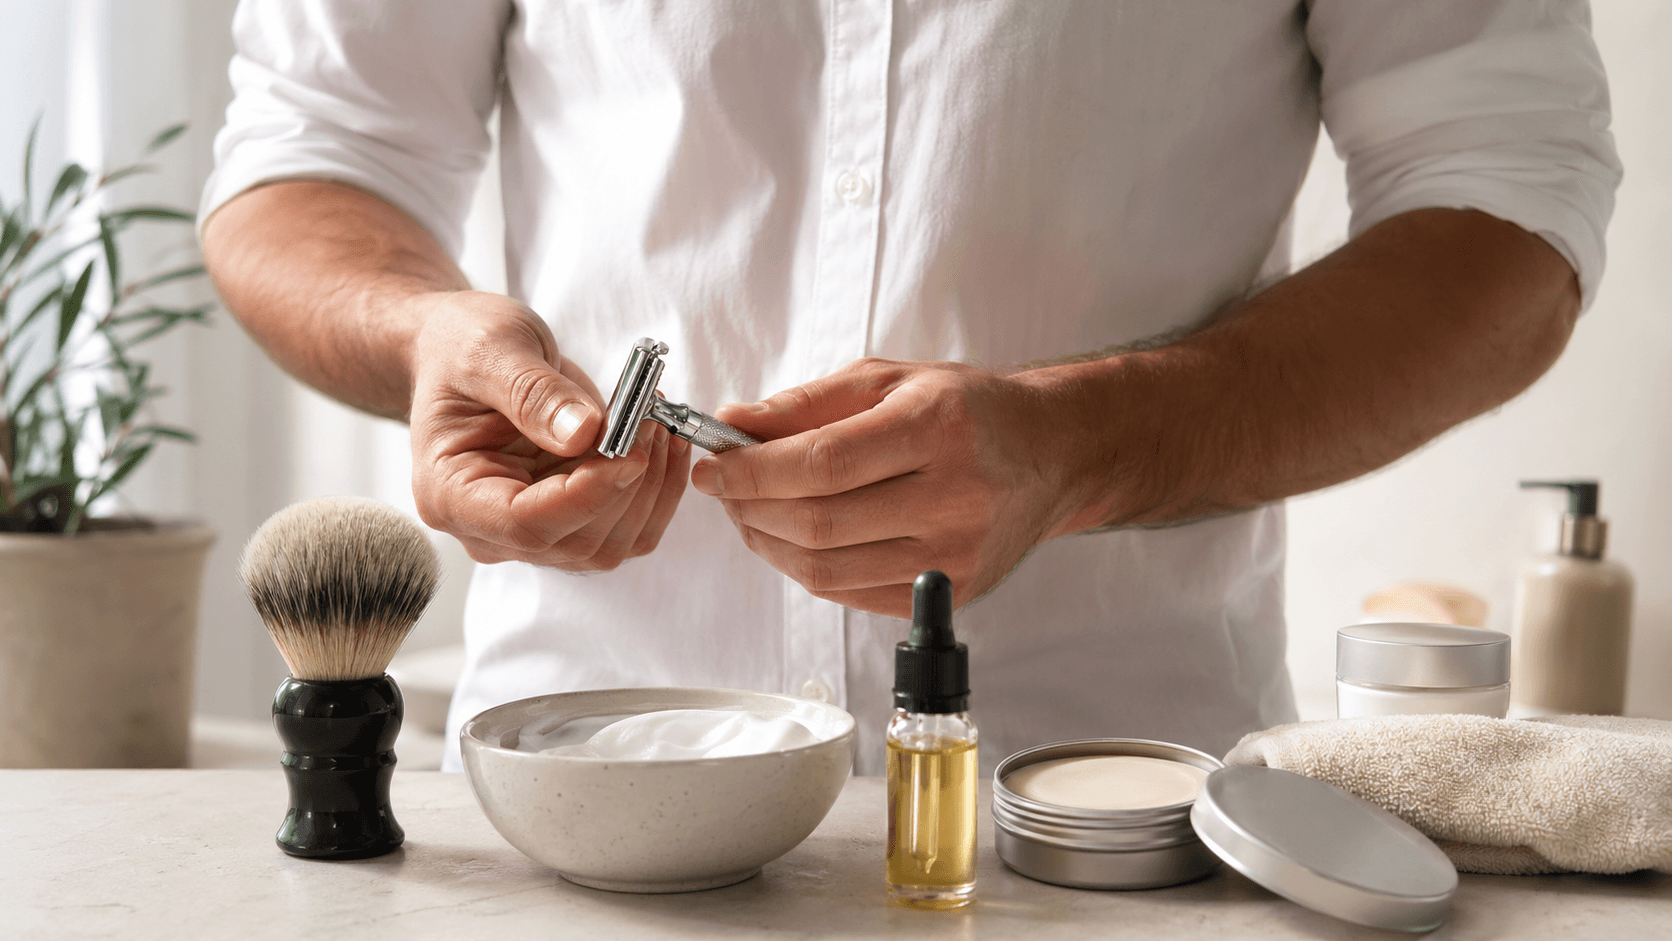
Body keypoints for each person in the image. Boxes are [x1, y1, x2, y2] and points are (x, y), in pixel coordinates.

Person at [200, 1, 1620, 773]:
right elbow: (311, 158)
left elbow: (1505, 213)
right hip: (579, 796)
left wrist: (1090, 445)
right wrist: (425, 332)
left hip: (1115, 821)